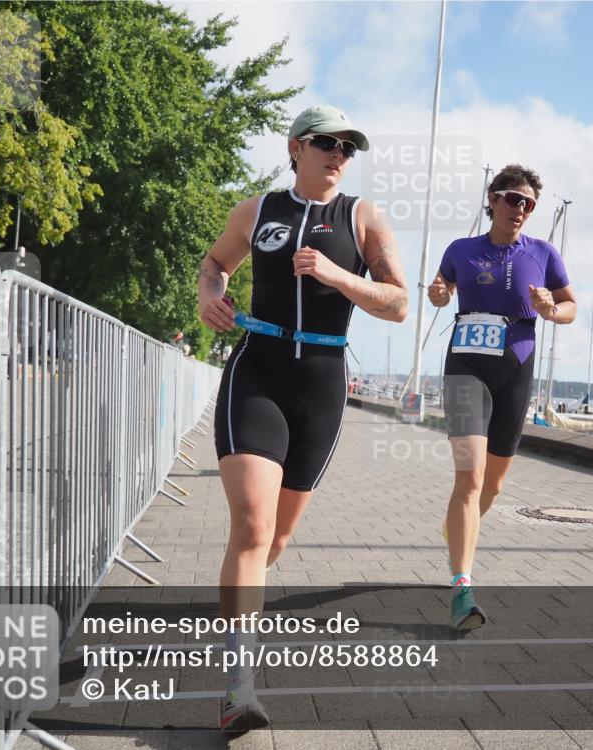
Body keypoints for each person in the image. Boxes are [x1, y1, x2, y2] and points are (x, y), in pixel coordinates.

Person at [197, 105, 408, 732]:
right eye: (326, 142)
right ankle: (239, 689)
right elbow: (215, 265)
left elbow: (398, 302)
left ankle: (240, 610)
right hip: (257, 370)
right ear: (296, 148)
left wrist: (339, 274)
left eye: (349, 146)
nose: (339, 153)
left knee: (277, 542)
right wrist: (210, 293)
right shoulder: (256, 211)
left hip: (320, 383)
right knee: (253, 526)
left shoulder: (364, 217)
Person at [427, 164, 577, 630]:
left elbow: (570, 307)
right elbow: (440, 290)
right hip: (466, 368)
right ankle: (462, 586)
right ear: (492, 199)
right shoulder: (461, 250)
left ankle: (457, 533)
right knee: (469, 482)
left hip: (515, 372)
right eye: (513, 199)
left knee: (491, 486)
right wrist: (437, 292)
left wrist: (552, 310)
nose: (521, 209)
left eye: (529, 204)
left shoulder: (544, 253)